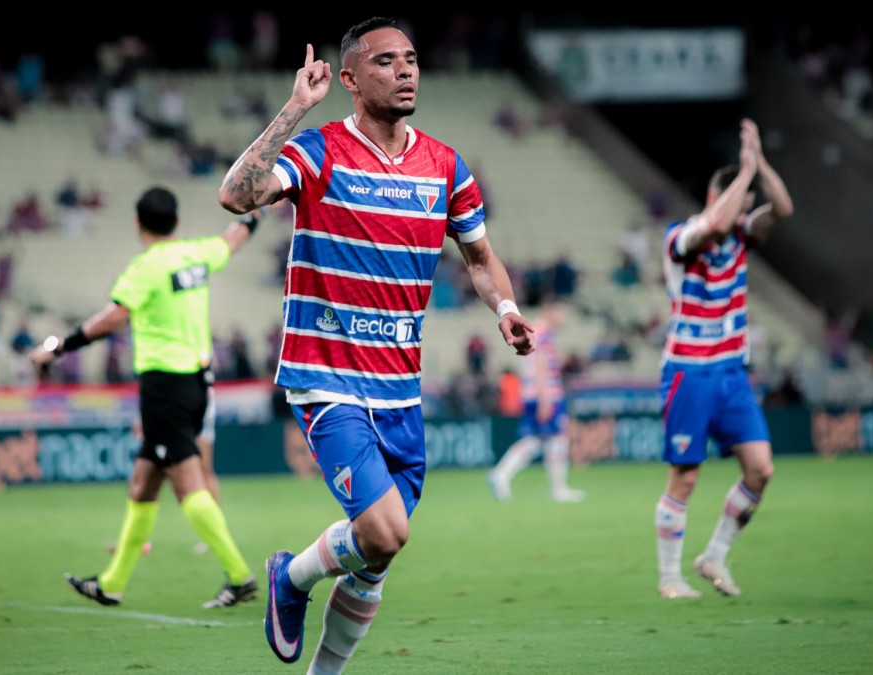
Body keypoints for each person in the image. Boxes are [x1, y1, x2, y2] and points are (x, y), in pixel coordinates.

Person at [217, 18, 535, 672]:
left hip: (401, 391)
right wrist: (295, 108)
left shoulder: (445, 165)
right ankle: (292, 577)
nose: (406, 70)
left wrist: (504, 306)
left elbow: (480, 257)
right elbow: (236, 194)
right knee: (388, 530)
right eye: (387, 62)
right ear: (353, 80)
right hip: (328, 380)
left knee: (377, 553)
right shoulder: (320, 150)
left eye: (411, 59)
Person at [31, 187, 262, 609]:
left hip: (165, 387)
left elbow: (114, 318)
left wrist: (58, 347)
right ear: (175, 221)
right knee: (142, 484)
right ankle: (112, 584)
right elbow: (233, 239)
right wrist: (255, 215)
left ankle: (239, 576)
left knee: (187, 486)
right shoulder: (197, 254)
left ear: (138, 224)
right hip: (195, 385)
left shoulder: (145, 268)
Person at [654, 119, 793, 599]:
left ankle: (714, 555)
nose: (743, 211)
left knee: (761, 469)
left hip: (732, 372)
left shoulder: (742, 239)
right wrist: (742, 176)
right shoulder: (680, 237)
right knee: (685, 477)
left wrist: (761, 166)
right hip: (688, 373)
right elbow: (714, 223)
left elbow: (784, 208)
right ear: (717, 196)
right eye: (737, 200)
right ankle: (670, 578)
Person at [487, 303, 584, 503]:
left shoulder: (534, 331)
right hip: (545, 395)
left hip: (533, 393)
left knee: (535, 441)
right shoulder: (544, 334)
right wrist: (545, 397)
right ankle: (558, 489)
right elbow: (540, 365)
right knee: (556, 439)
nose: (564, 317)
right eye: (561, 311)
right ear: (549, 311)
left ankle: (502, 474)